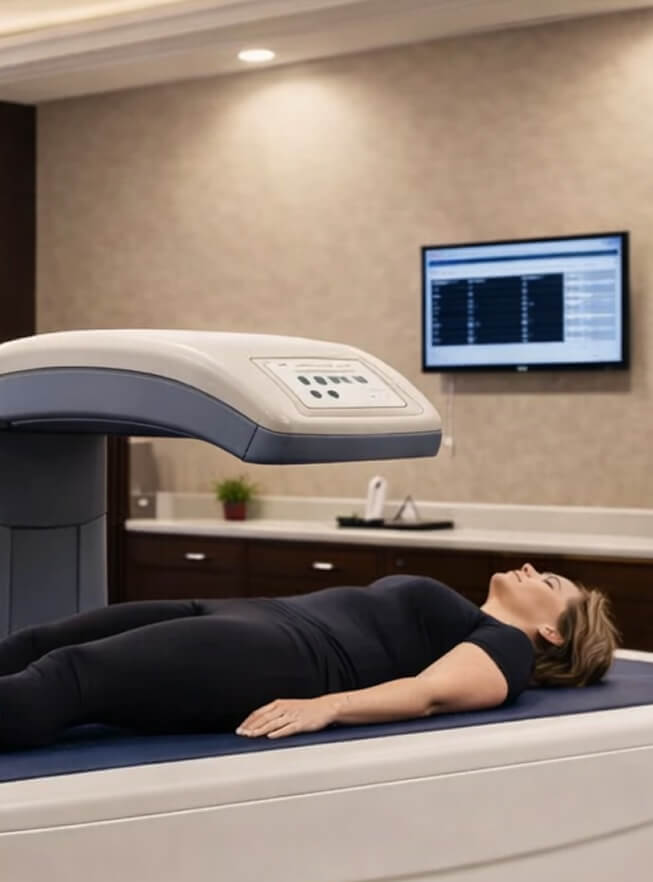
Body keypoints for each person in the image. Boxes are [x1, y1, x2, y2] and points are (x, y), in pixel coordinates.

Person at [0, 563, 618, 750]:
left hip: (281, 652)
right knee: (37, 642)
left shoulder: (507, 649)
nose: (535, 570)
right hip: (249, 616)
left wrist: (328, 706)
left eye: (552, 584)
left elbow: (433, 692)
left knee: (68, 677)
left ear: (554, 635)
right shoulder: (470, 616)